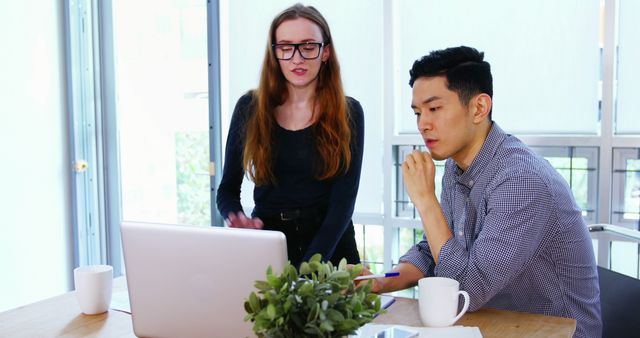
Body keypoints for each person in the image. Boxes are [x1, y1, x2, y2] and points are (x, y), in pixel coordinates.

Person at [359, 46, 601, 337]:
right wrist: (378, 281)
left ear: (479, 108)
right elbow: (432, 252)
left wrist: (425, 201)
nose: (423, 124)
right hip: (492, 324)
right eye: (417, 112)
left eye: (434, 109)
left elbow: (466, 289)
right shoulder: (456, 166)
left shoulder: (520, 181)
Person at [216, 3, 363, 268]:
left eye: (308, 47)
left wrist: (307, 271)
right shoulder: (249, 107)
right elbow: (227, 190)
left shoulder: (349, 111)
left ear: (325, 52)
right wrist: (236, 218)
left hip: (331, 249)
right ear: (274, 54)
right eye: (285, 47)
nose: (297, 58)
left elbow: (342, 208)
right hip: (270, 247)